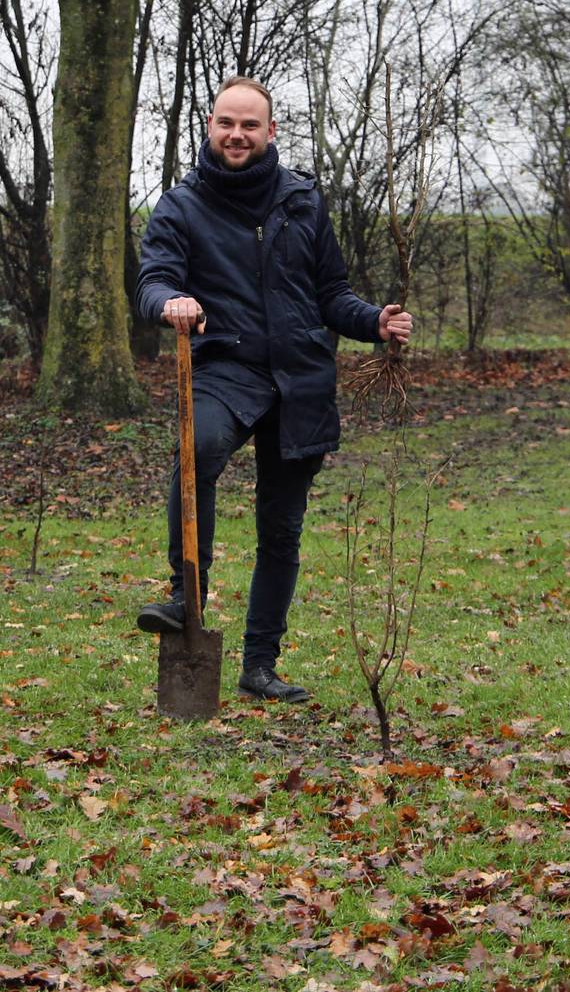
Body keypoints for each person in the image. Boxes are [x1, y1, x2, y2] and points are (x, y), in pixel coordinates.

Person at [134, 76, 413, 702]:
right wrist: (171, 302)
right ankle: (186, 595)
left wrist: (374, 320)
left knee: (281, 530)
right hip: (223, 368)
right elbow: (152, 279)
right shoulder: (180, 207)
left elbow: (330, 292)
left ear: (271, 131)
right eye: (226, 123)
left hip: (299, 378)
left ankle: (260, 666)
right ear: (210, 126)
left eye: (249, 125)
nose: (237, 134)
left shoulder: (303, 202)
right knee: (195, 451)